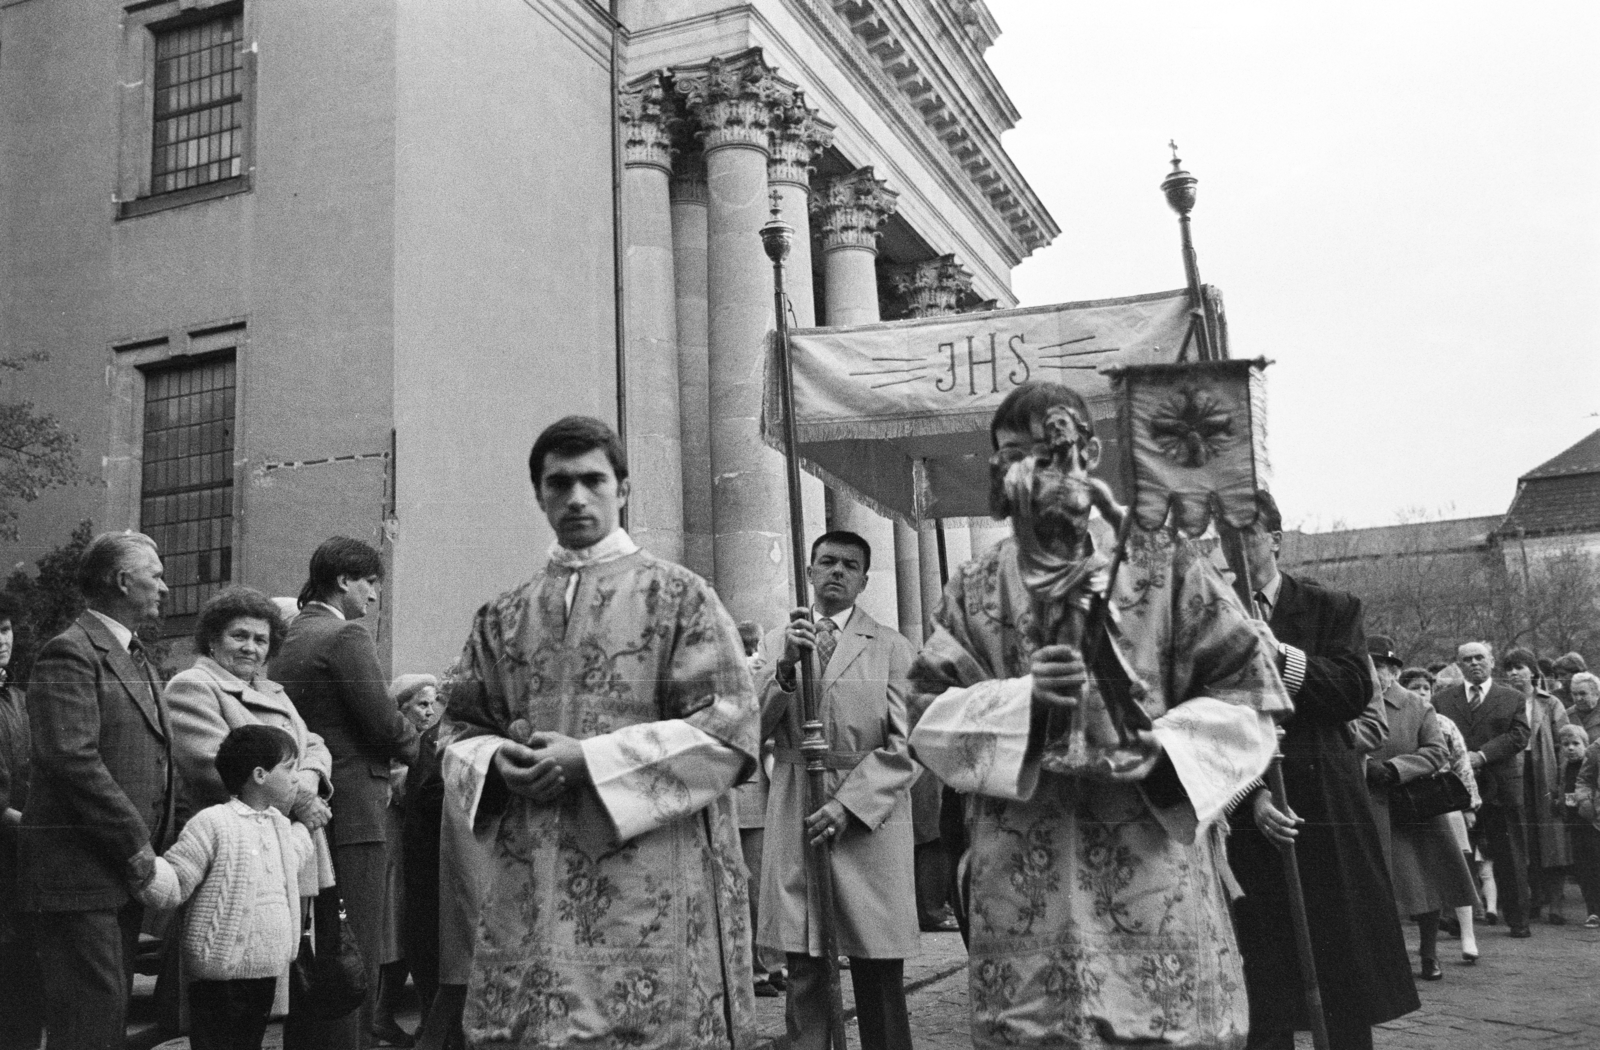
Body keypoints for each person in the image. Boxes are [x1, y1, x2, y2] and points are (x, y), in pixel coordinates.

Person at [908, 381, 1290, 1048]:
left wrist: (1160, 748)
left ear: (1088, 453)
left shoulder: (1166, 563)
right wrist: (1021, 703)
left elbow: (1251, 693)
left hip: (1149, 869)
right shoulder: (972, 585)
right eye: (1012, 454)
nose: (1031, 469)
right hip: (1023, 881)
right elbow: (923, 714)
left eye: (1050, 451)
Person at [439, 415, 759, 1048]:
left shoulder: (681, 597)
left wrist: (590, 759)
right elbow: (454, 726)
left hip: (651, 875)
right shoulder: (502, 615)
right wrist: (497, 759)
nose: (576, 498)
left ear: (624, 490)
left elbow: (728, 730)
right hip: (531, 875)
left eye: (593, 480)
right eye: (559, 484)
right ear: (539, 495)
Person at [1229, 491, 1417, 1050]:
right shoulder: (1207, 614)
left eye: (1247, 535)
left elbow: (1351, 690)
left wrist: (1280, 657)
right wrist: (1252, 796)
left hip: (1325, 810)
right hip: (1251, 810)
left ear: (1276, 540)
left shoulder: (1331, 607)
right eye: (1223, 539)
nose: (1234, 550)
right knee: (1264, 981)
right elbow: (1199, 718)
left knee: (1339, 972)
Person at [758, 530, 919, 1050]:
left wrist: (850, 805)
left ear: (864, 581)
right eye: (827, 562)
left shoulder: (893, 647)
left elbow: (906, 744)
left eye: (850, 566)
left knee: (877, 969)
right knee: (804, 964)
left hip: (869, 820)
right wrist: (784, 667)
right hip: (798, 808)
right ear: (809, 572)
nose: (837, 572)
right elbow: (749, 729)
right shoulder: (778, 644)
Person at [19, 531, 175, 1050]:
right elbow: (73, 761)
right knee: (90, 1025)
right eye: (155, 575)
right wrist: (138, 849)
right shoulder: (70, 652)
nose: (165, 587)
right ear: (122, 581)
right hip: (82, 878)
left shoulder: (136, 657)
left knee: (103, 1021)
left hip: (115, 878)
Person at [270, 537, 420, 1050]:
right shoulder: (344, 636)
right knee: (354, 945)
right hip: (354, 809)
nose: (375, 597)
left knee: (317, 947)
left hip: (310, 807)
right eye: (372, 583)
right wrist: (425, 748)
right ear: (343, 580)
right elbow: (382, 724)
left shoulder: (292, 636)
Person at [165, 586, 338, 1024]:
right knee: (229, 993)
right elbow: (215, 763)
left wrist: (310, 784)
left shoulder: (273, 692)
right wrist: (303, 797)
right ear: (212, 639)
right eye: (239, 636)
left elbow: (315, 745)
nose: (251, 647)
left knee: (271, 992)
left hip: (283, 845)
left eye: (261, 640)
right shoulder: (193, 686)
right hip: (235, 856)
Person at [138, 725, 314, 1050]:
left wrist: (307, 826)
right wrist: (146, 871)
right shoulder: (214, 823)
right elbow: (179, 876)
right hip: (219, 975)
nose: (296, 779)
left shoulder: (278, 824)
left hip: (266, 970)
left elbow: (294, 855)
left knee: (249, 1042)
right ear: (259, 774)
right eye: (289, 769)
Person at [1362, 637, 1480, 981]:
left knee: (1425, 882)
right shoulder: (1353, 703)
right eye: (1366, 666)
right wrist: (1365, 764)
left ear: (1394, 670)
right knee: (1378, 885)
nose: (1372, 674)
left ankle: (1429, 954)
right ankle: (1386, 958)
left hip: (1413, 806)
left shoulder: (1416, 706)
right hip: (1368, 804)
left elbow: (1437, 750)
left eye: (1378, 667)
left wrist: (1397, 768)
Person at [1433, 641, 1532, 936]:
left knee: (1509, 854)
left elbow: (1519, 735)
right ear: (1459, 665)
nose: (1474, 663)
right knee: (1455, 851)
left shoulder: (1511, 698)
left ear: (1491, 661)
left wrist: (1482, 755)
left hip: (1500, 785)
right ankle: (1454, 918)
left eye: (1480, 658)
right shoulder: (1443, 700)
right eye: (1467, 659)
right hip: (1457, 788)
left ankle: (1518, 920)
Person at [372, 674, 441, 1047]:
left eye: (432, 704)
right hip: (397, 847)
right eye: (421, 705)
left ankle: (388, 1015)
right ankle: (381, 1015)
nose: (429, 712)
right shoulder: (402, 749)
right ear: (401, 709)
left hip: (412, 848)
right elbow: (403, 790)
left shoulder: (425, 744)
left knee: (402, 932)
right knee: (396, 931)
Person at [1402, 666, 1483, 961]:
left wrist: (1470, 805)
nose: (1421, 693)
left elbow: (1462, 764)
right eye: (1414, 688)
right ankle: (1426, 946)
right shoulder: (1399, 720)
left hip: (1443, 802)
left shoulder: (1445, 724)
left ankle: (1468, 935)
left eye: (1426, 688)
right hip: (1408, 803)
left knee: (1457, 865)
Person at [0, 592, 42, 1050]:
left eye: (5, 629)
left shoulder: (18, 697)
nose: (0, 640)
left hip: (18, 866)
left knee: (20, 991)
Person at [1503, 648, 1571, 923]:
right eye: (1509, 669)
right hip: (1516, 774)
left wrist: (1562, 783)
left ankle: (1556, 904)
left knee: (1552, 838)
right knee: (1524, 839)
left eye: (1520, 667)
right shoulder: (1505, 701)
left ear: (1532, 671)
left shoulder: (1550, 703)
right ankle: (1533, 898)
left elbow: (1564, 743)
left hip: (1545, 774)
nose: (1514, 673)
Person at [1553, 724, 1599, 927]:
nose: (1570, 748)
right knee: (1584, 868)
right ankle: (1593, 911)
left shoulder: (1591, 758)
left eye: (1575, 744)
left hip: (1592, 820)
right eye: (1566, 745)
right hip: (1576, 823)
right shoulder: (1563, 767)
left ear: (1585, 744)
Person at [1571, 728, 1600, 927]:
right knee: (1593, 865)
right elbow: (1584, 779)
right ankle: (1595, 911)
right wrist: (1585, 801)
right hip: (1597, 818)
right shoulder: (1597, 747)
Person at [1566, 671, 1600, 742]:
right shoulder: (1566, 716)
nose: (1578, 698)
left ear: (1596, 694)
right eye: (1575, 694)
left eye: (1583, 694)